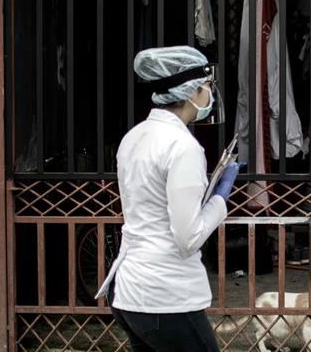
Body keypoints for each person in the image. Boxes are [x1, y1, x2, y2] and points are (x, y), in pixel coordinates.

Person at [94, 46, 240, 352]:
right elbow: (189, 238)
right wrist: (221, 199)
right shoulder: (183, 146)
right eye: (208, 87)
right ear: (192, 91)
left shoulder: (134, 136)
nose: (210, 94)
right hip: (166, 296)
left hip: (130, 292)